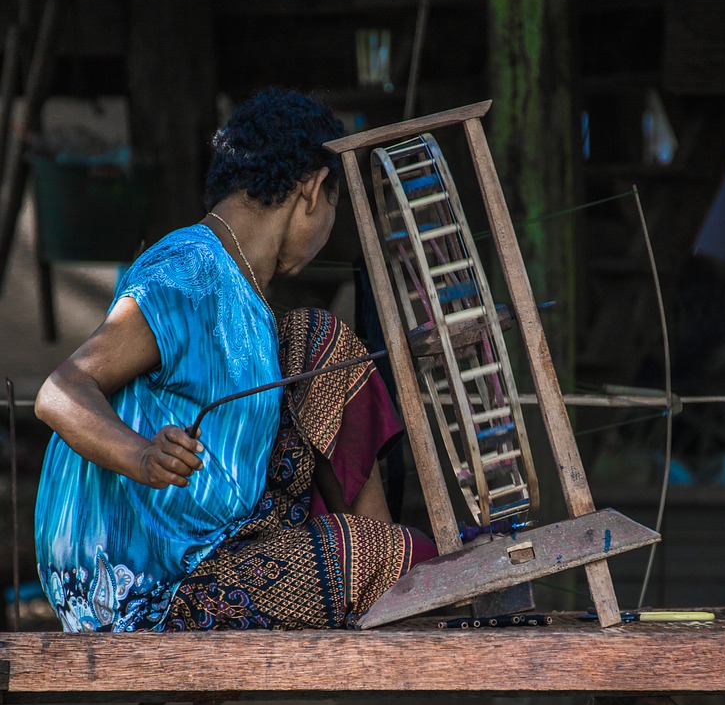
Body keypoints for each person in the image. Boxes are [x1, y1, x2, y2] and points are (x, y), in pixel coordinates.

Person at [34, 87, 436, 633]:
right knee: (401, 558)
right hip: (141, 588)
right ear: (314, 190)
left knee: (319, 342)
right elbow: (60, 391)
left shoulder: (246, 295)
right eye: (334, 206)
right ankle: (385, 569)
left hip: (207, 549)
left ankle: (382, 564)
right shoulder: (190, 271)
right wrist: (142, 456)